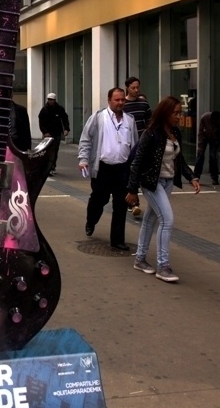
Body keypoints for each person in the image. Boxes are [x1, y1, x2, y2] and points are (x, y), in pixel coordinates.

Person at [126, 96, 200, 282]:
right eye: (175, 113)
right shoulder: (151, 133)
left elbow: (179, 159)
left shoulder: (175, 132)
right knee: (167, 220)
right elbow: (137, 162)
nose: (178, 116)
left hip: (167, 182)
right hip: (151, 183)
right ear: (165, 113)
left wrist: (192, 177)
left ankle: (140, 259)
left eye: (179, 112)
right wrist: (132, 190)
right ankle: (163, 266)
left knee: (150, 220)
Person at [78, 87, 138, 250]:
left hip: (123, 170)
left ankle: (117, 240)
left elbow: (135, 147)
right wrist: (83, 159)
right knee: (99, 199)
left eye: (122, 100)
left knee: (121, 204)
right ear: (109, 100)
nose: (120, 103)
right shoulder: (98, 118)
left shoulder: (129, 121)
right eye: (116, 100)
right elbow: (86, 139)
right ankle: (91, 221)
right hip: (103, 168)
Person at [122, 77, 152, 216]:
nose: (136, 90)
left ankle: (134, 201)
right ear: (127, 87)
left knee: (140, 171)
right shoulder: (123, 104)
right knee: (131, 172)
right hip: (128, 144)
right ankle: (133, 203)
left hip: (143, 143)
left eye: (137, 87)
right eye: (133, 87)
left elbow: (150, 121)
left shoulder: (143, 103)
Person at [38, 92, 70, 174]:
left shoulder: (59, 109)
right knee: (47, 150)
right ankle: (47, 166)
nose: (50, 101)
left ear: (55, 100)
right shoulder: (44, 110)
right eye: (49, 100)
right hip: (48, 134)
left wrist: (66, 129)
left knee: (55, 150)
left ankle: (52, 166)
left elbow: (65, 118)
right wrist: (44, 132)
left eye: (52, 100)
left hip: (56, 133)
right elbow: (41, 122)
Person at [193, 110, 220, 185]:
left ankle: (215, 178)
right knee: (200, 155)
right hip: (204, 137)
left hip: (215, 138)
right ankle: (196, 176)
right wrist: (200, 146)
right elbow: (200, 132)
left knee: (213, 157)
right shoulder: (205, 117)